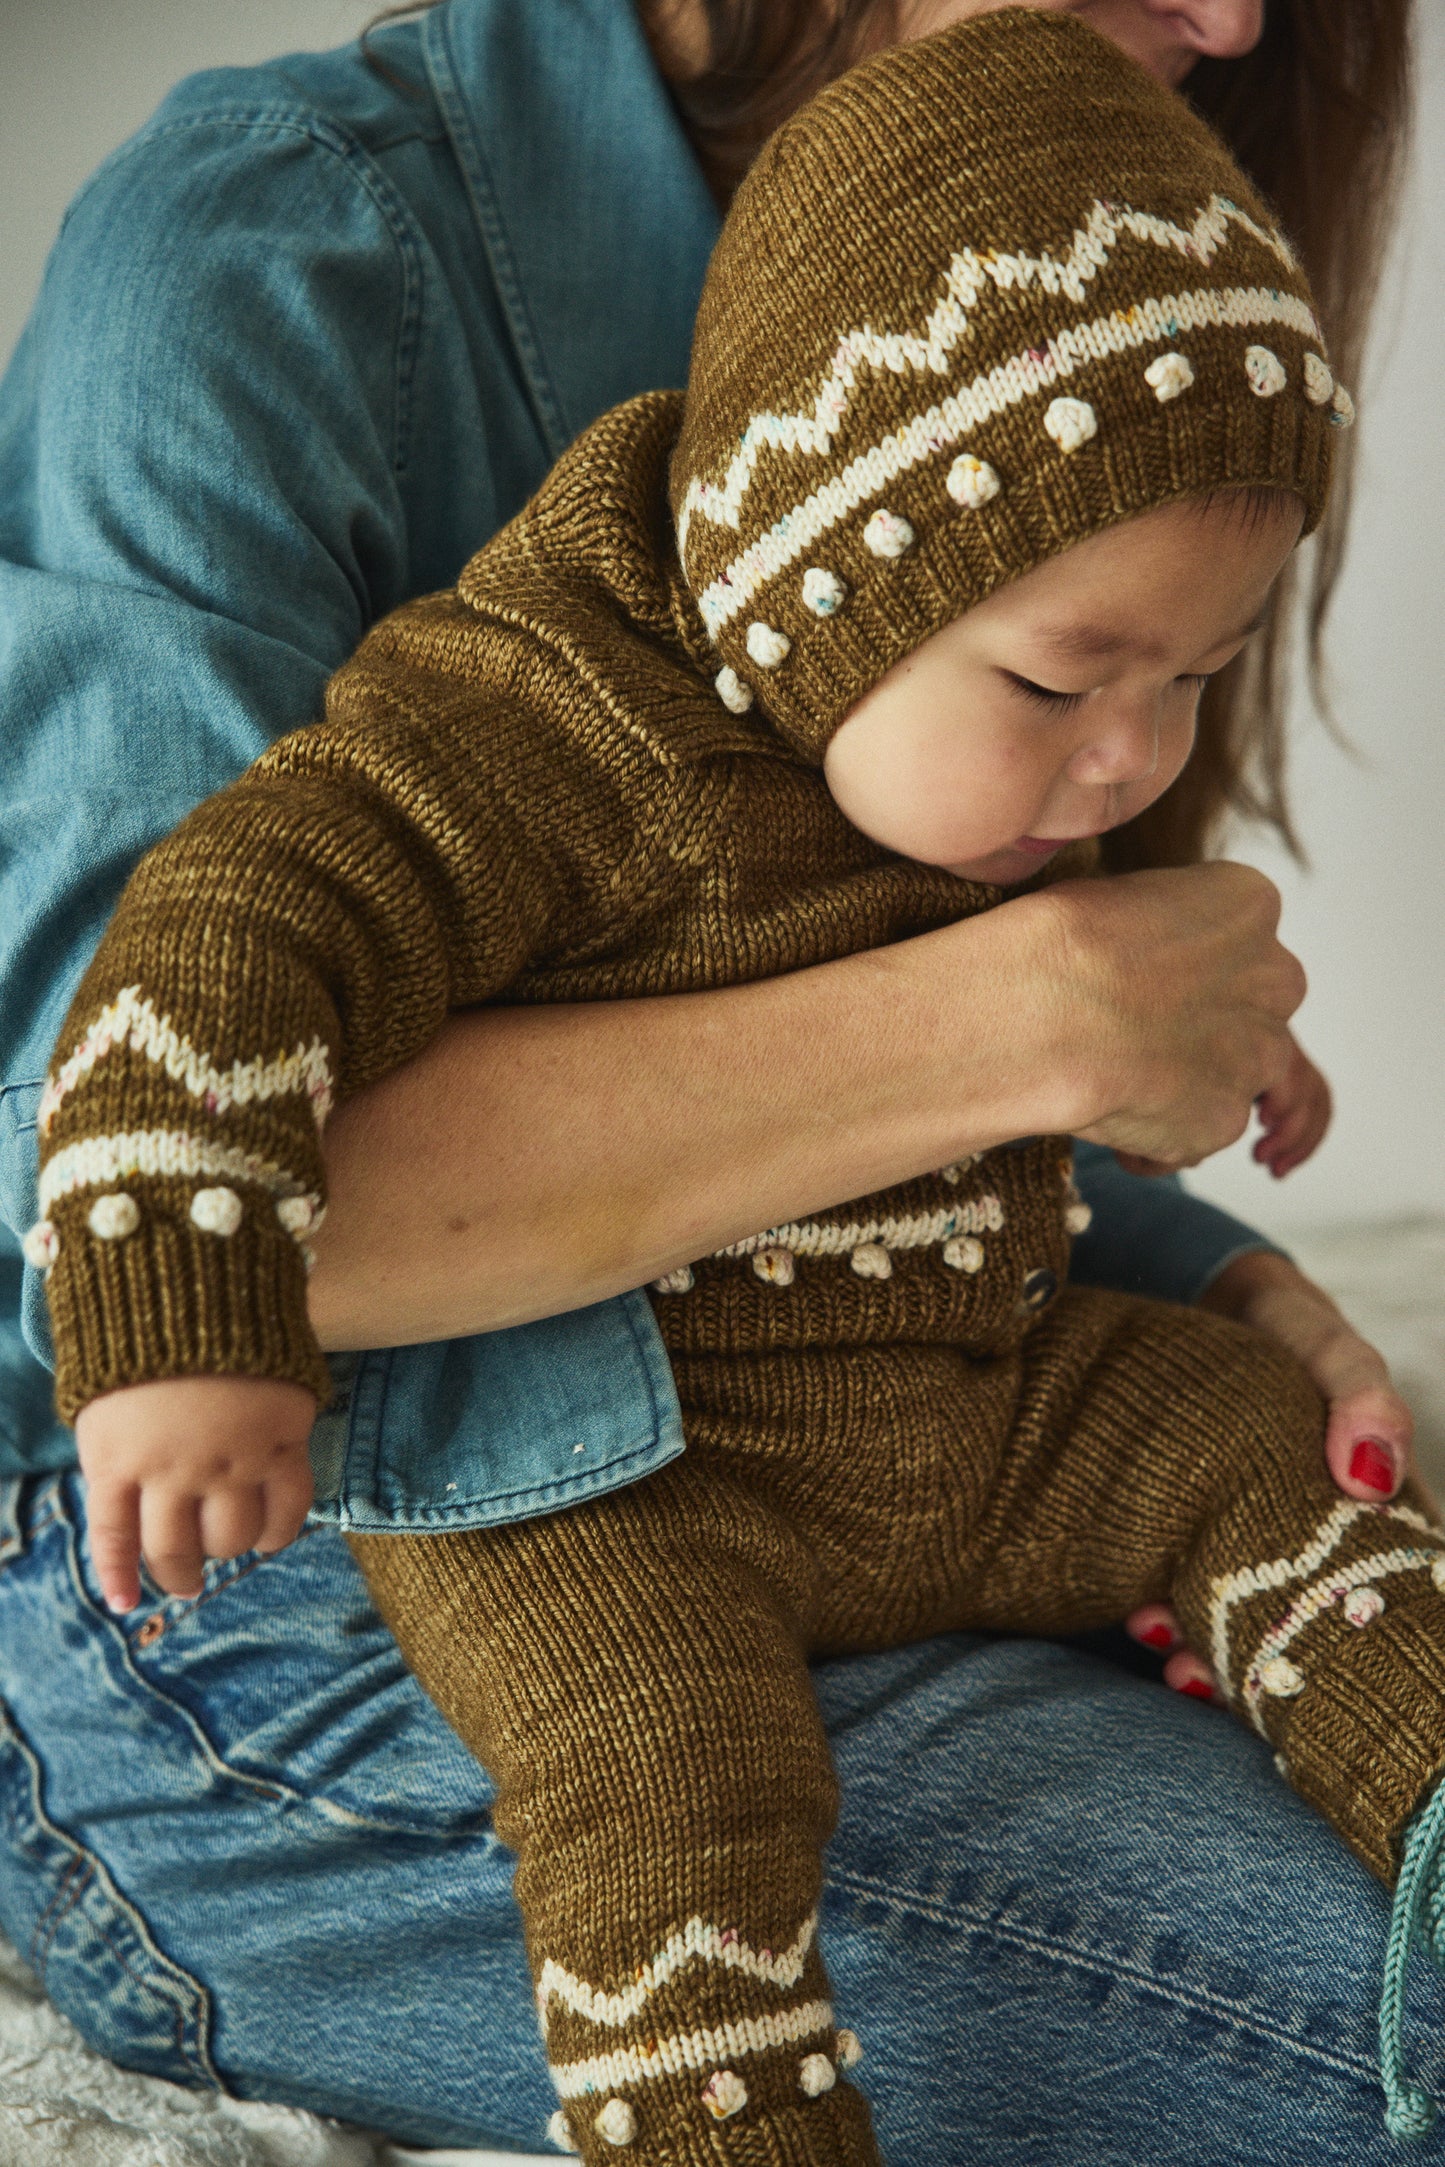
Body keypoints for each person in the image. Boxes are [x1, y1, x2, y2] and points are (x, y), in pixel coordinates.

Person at [0, 0, 1428, 2158]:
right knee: (690, 1785)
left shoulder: (1082, 306)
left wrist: (1200, 1255)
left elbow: (894, 992)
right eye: (1066, 677)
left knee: (1255, 1477)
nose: (1236, 18)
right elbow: (122, 1094)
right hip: (313, 1543)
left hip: (913, 1414)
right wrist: (1029, 1014)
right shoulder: (290, 275)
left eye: (1190, 677)